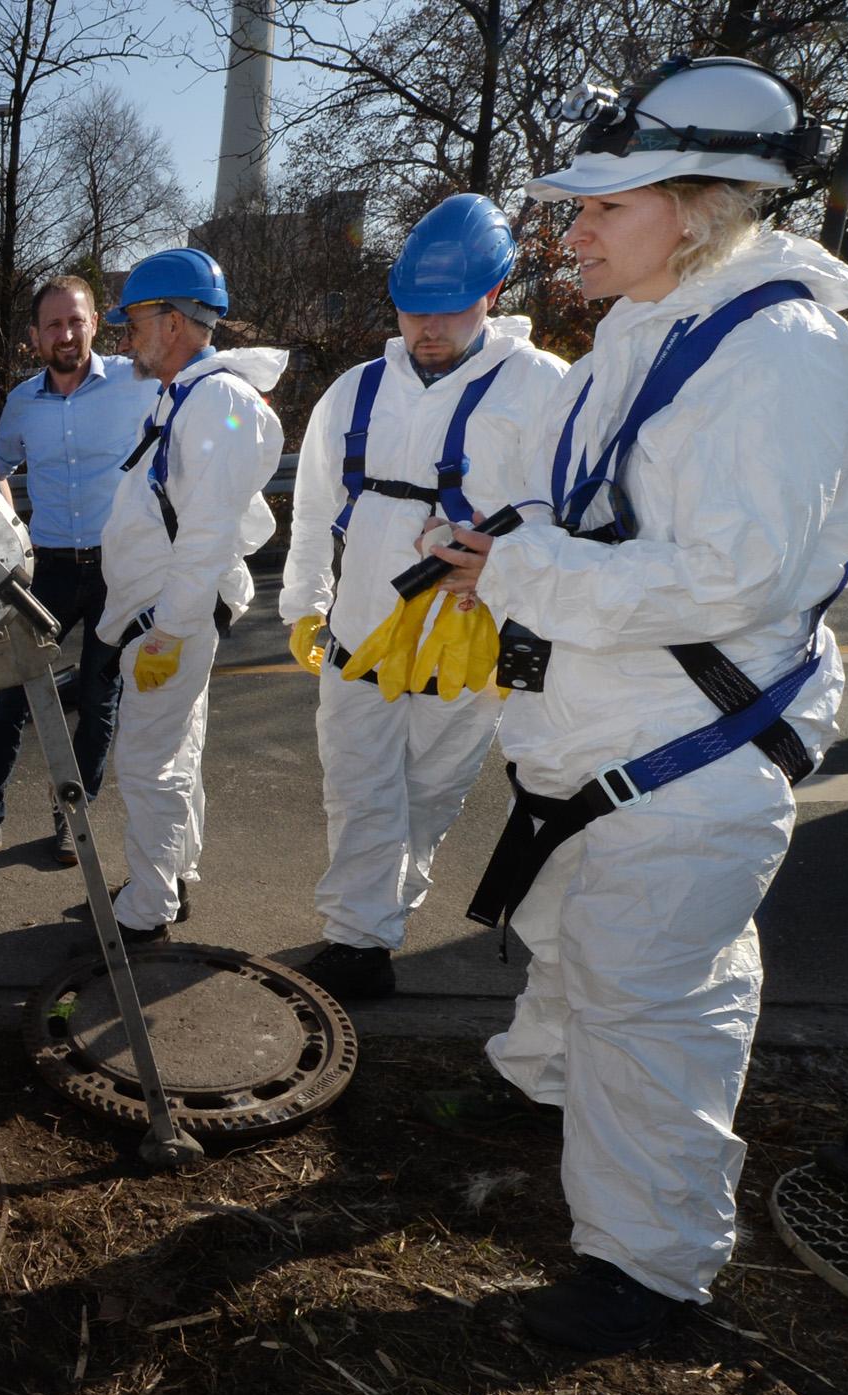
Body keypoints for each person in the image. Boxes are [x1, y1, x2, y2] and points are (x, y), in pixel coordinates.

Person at [395, 57, 848, 1350]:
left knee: (649, 1011)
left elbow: (730, 577)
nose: (571, 233)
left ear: (696, 204)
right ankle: (549, 1094)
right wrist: (503, 538)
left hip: (682, 755)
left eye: (601, 207)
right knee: (573, 949)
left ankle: (646, 1274)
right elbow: (590, 498)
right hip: (598, 737)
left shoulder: (780, 359)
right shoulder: (642, 332)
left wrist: (518, 570)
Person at [278, 195, 570, 1001]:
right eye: (414, 309)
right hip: (362, 633)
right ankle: (357, 940)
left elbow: (573, 511)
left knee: (428, 792)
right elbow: (312, 504)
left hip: (468, 640)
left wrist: (501, 554)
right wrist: (304, 602)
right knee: (358, 788)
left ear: (493, 295)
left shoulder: (541, 388)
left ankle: (379, 917)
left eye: (449, 308)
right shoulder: (356, 392)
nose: (428, 328)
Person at [96, 249, 286, 944]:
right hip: (167, 612)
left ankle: (146, 907)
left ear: (172, 323)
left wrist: (168, 633)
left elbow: (206, 531)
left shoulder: (217, 403)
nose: (126, 338)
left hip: (170, 617)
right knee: (177, 751)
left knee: (148, 761)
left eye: (134, 322)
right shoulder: (188, 396)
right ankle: (172, 875)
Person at [0, 275, 151, 872]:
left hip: (117, 569)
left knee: (98, 698)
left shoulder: (136, 381)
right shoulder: (23, 402)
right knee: (10, 698)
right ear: (35, 335)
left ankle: (71, 818)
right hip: (47, 569)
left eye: (77, 321)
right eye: (53, 324)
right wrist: (10, 534)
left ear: (94, 323)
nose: (67, 334)